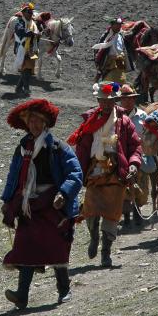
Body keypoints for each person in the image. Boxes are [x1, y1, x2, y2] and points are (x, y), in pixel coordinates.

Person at [1, 98, 83, 310]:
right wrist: (7, 200)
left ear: (45, 123)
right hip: (29, 205)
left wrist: (63, 194)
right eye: (31, 121)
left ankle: (64, 290)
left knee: (56, 246)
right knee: (25, 246)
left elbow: (75, 173)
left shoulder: (58, 148)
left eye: (38, 121)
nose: (34, 125)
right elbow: (13, 176)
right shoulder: (22, 149)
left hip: (53, 205)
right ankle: (22, 295)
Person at [66, 82, 142, 267]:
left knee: (112, 214)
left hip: (117, 173)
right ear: (98, 101)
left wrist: (133, 165)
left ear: (115, 101)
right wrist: (78, 170)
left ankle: (106, 252)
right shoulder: (90, 121)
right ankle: (94, 237)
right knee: (91, 211)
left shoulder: (124, 122)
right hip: (94, 172)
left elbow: (135, 146)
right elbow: (83, 148)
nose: (107, 104)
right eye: (103, 101)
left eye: (110, 101)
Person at [117, 84, 157, 227]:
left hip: (140, 154)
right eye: (124, 99)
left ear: (134, 100)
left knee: (142, 185)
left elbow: (149, 135)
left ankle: (137, 210)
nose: (127, 102)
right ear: (120, 100)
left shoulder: (143, 116)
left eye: (130, 99)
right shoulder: (116, 116)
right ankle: (126, 215)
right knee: (122, 185)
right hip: (121, 155)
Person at [12, 2, 40, 95]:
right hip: (22, 48)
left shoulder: (33, 23)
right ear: (23, 13)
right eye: (29, 12)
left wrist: (38, 35)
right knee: (26, 68)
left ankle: (18, 88)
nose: (31, 14)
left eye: (31, 12)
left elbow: (36, 34)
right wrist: (29, 33)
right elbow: (20, 31)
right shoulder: (19, 22)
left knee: (28, 69)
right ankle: (26, 88)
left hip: (32, 49)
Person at [93, 17, 129, 83]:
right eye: (117, 25)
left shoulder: (120, 36)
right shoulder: (106, 36)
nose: (119, 27)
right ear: (112, 25)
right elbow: (99, 50)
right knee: (108, 82)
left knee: (121, 81)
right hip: (109, 64)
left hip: (120, 64)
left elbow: (123, 49)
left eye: (120, 25)